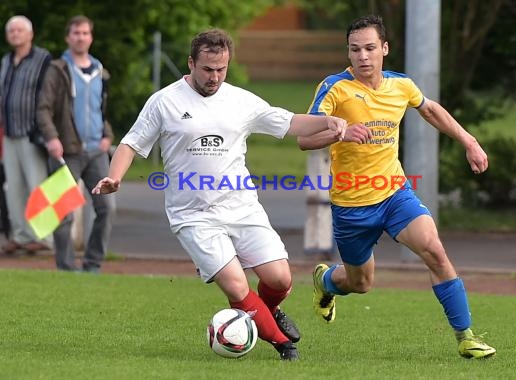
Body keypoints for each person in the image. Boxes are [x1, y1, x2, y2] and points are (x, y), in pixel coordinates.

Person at [92, 28, 348, 360]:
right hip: (194, 216)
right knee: (236, 285)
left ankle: (265, 314)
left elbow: (288, 123)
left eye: (221, 70)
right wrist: (114, 176)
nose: (215, 77)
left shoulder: (240, 100)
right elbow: (131, 143)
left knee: (280, 278)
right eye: (207, 69)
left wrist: (330, 122)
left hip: (242, 207)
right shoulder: (165, 101)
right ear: (191, 63)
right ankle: (283, 345)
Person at [298, 15, 497, 359]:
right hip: (351, 205)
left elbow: (430, 109)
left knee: (434, 251)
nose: (363, 56)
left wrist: (469, 141)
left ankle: (466, 337)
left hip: (394, 194)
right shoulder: (334, 88)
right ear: (348, 52)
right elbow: (303, 138)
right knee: (360, 284)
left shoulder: (400, 85)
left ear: (384, 49)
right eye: (355, 49)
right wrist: (340, 131)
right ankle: (326, 281)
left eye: (370, 48)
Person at [36, 15, 114, 272]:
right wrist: (52, 138)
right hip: (66, 151)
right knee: (63, 213)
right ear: (68, 37)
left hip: (96, 152)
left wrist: (108, 136)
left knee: (107, 207)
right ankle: (66, 267)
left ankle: (92, 265)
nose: (81, 37)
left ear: (91, 37)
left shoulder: (100, 70)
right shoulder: (57, 69)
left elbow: (102, 109)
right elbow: (43, 109)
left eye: (85, 33)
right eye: (76, 33)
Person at [0, 15, 51, 255]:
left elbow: (47, 96)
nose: (15, 34)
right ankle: (20, 236)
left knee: (38, 187)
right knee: (14, 188)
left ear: (30, 34)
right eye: (11, 31)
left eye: (20, 30)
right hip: (9, 133)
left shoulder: (43, 59)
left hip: (33, 134)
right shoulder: (6, 60)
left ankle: (45, 238)